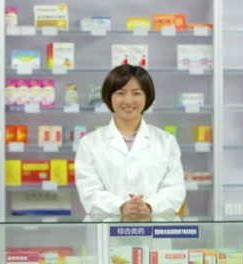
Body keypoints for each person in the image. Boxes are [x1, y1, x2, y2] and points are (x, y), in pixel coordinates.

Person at [75, 64, 186, 221]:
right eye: (120, 93)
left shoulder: (166, 141)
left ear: (147, 97)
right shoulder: (90, 143)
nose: (128, 100)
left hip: (154, 232)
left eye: (136, 93)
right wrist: (121, 206)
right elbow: (89, 191)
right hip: (107, 231)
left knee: (152, 248)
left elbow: (175, 189)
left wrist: (149, 206)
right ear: (109, 97)